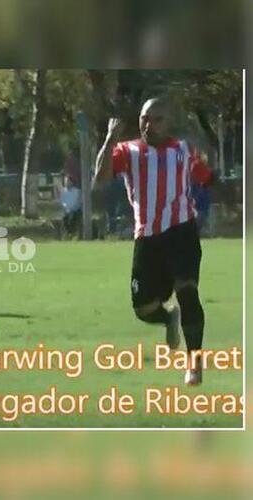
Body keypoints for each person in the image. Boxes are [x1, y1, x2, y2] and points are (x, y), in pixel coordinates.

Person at [93, 97, 213, 386]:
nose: (149, 124)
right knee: (144, 308)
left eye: (156, 119)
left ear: (168, 123)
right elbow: (100, 178)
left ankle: (194, 364)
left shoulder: (184, 150)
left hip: (182, 231)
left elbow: (206, 177)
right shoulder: (128, 150)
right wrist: (110, 138)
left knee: (187, 290)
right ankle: (168, 318)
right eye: (145, 118)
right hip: (147, 238)